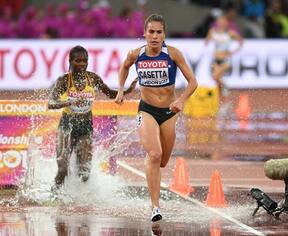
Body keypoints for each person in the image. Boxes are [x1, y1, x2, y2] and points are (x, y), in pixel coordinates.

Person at [115, 14, 198, 222]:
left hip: (170, 112)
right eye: (150, 32)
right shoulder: (136, 55)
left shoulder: (173, 54)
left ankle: (153, 168)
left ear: (164, 35)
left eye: (158, 32)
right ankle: (155, 206)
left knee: (162, 161)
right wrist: (120, 90)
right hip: (147, 110)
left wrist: (181, 101)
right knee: (154, 154)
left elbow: (193, 82)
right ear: (144, 34)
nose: (154, 36)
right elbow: (124, 66)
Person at [48, 45, 137, 193]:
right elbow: (51, 103)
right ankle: (54, 195)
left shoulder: (93, 78)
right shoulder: (64, 80)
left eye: (85, 61)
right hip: (66, 126)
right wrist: (69, 102)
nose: (82, 64)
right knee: (63, 169)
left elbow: (109, 93)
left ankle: (76, 197)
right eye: (78, 61)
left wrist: (126, 91)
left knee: (84, 173)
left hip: (85, 128)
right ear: (70, 61)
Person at [205, 15, 243, 97]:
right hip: (215, 59)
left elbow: (241, 42)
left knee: (215, 76)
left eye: (223, 22)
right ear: (217, 22)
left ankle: (226, 87)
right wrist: (210, 48)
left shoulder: (230, 33)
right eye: (220, 21)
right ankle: (221, 99)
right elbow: (206, 42)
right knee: (217, 80)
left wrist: (232, 52)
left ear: (226, 23)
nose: (221, 23)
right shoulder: (212, 32)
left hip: (225, 59)